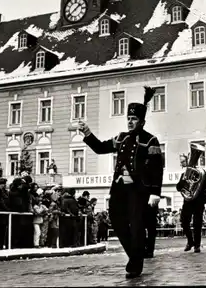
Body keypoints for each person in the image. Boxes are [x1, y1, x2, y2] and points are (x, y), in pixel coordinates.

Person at [79, 86, 163, 279]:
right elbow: (100, 148)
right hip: (118, 188)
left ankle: (135, 263)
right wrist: (88, 133)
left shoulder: (151, 141)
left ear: (142, 121)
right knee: (116, 221)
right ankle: (135, 255)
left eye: (134, 119)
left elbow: (157, 168)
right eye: (128, 119)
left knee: (136, 224)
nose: (130, 122)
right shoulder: (121, 138)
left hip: (138, 189)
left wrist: (155, 192)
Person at [176, 144, 206, 253]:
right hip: (188, 201)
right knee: (184, 221)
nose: (182, 164)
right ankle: (190, 241)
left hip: (198, 201)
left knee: (197, 223)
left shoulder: (201, 173)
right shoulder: (183, 174)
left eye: (184, 161)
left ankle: (197, 245)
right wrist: (184, 180)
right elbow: (178, 188)